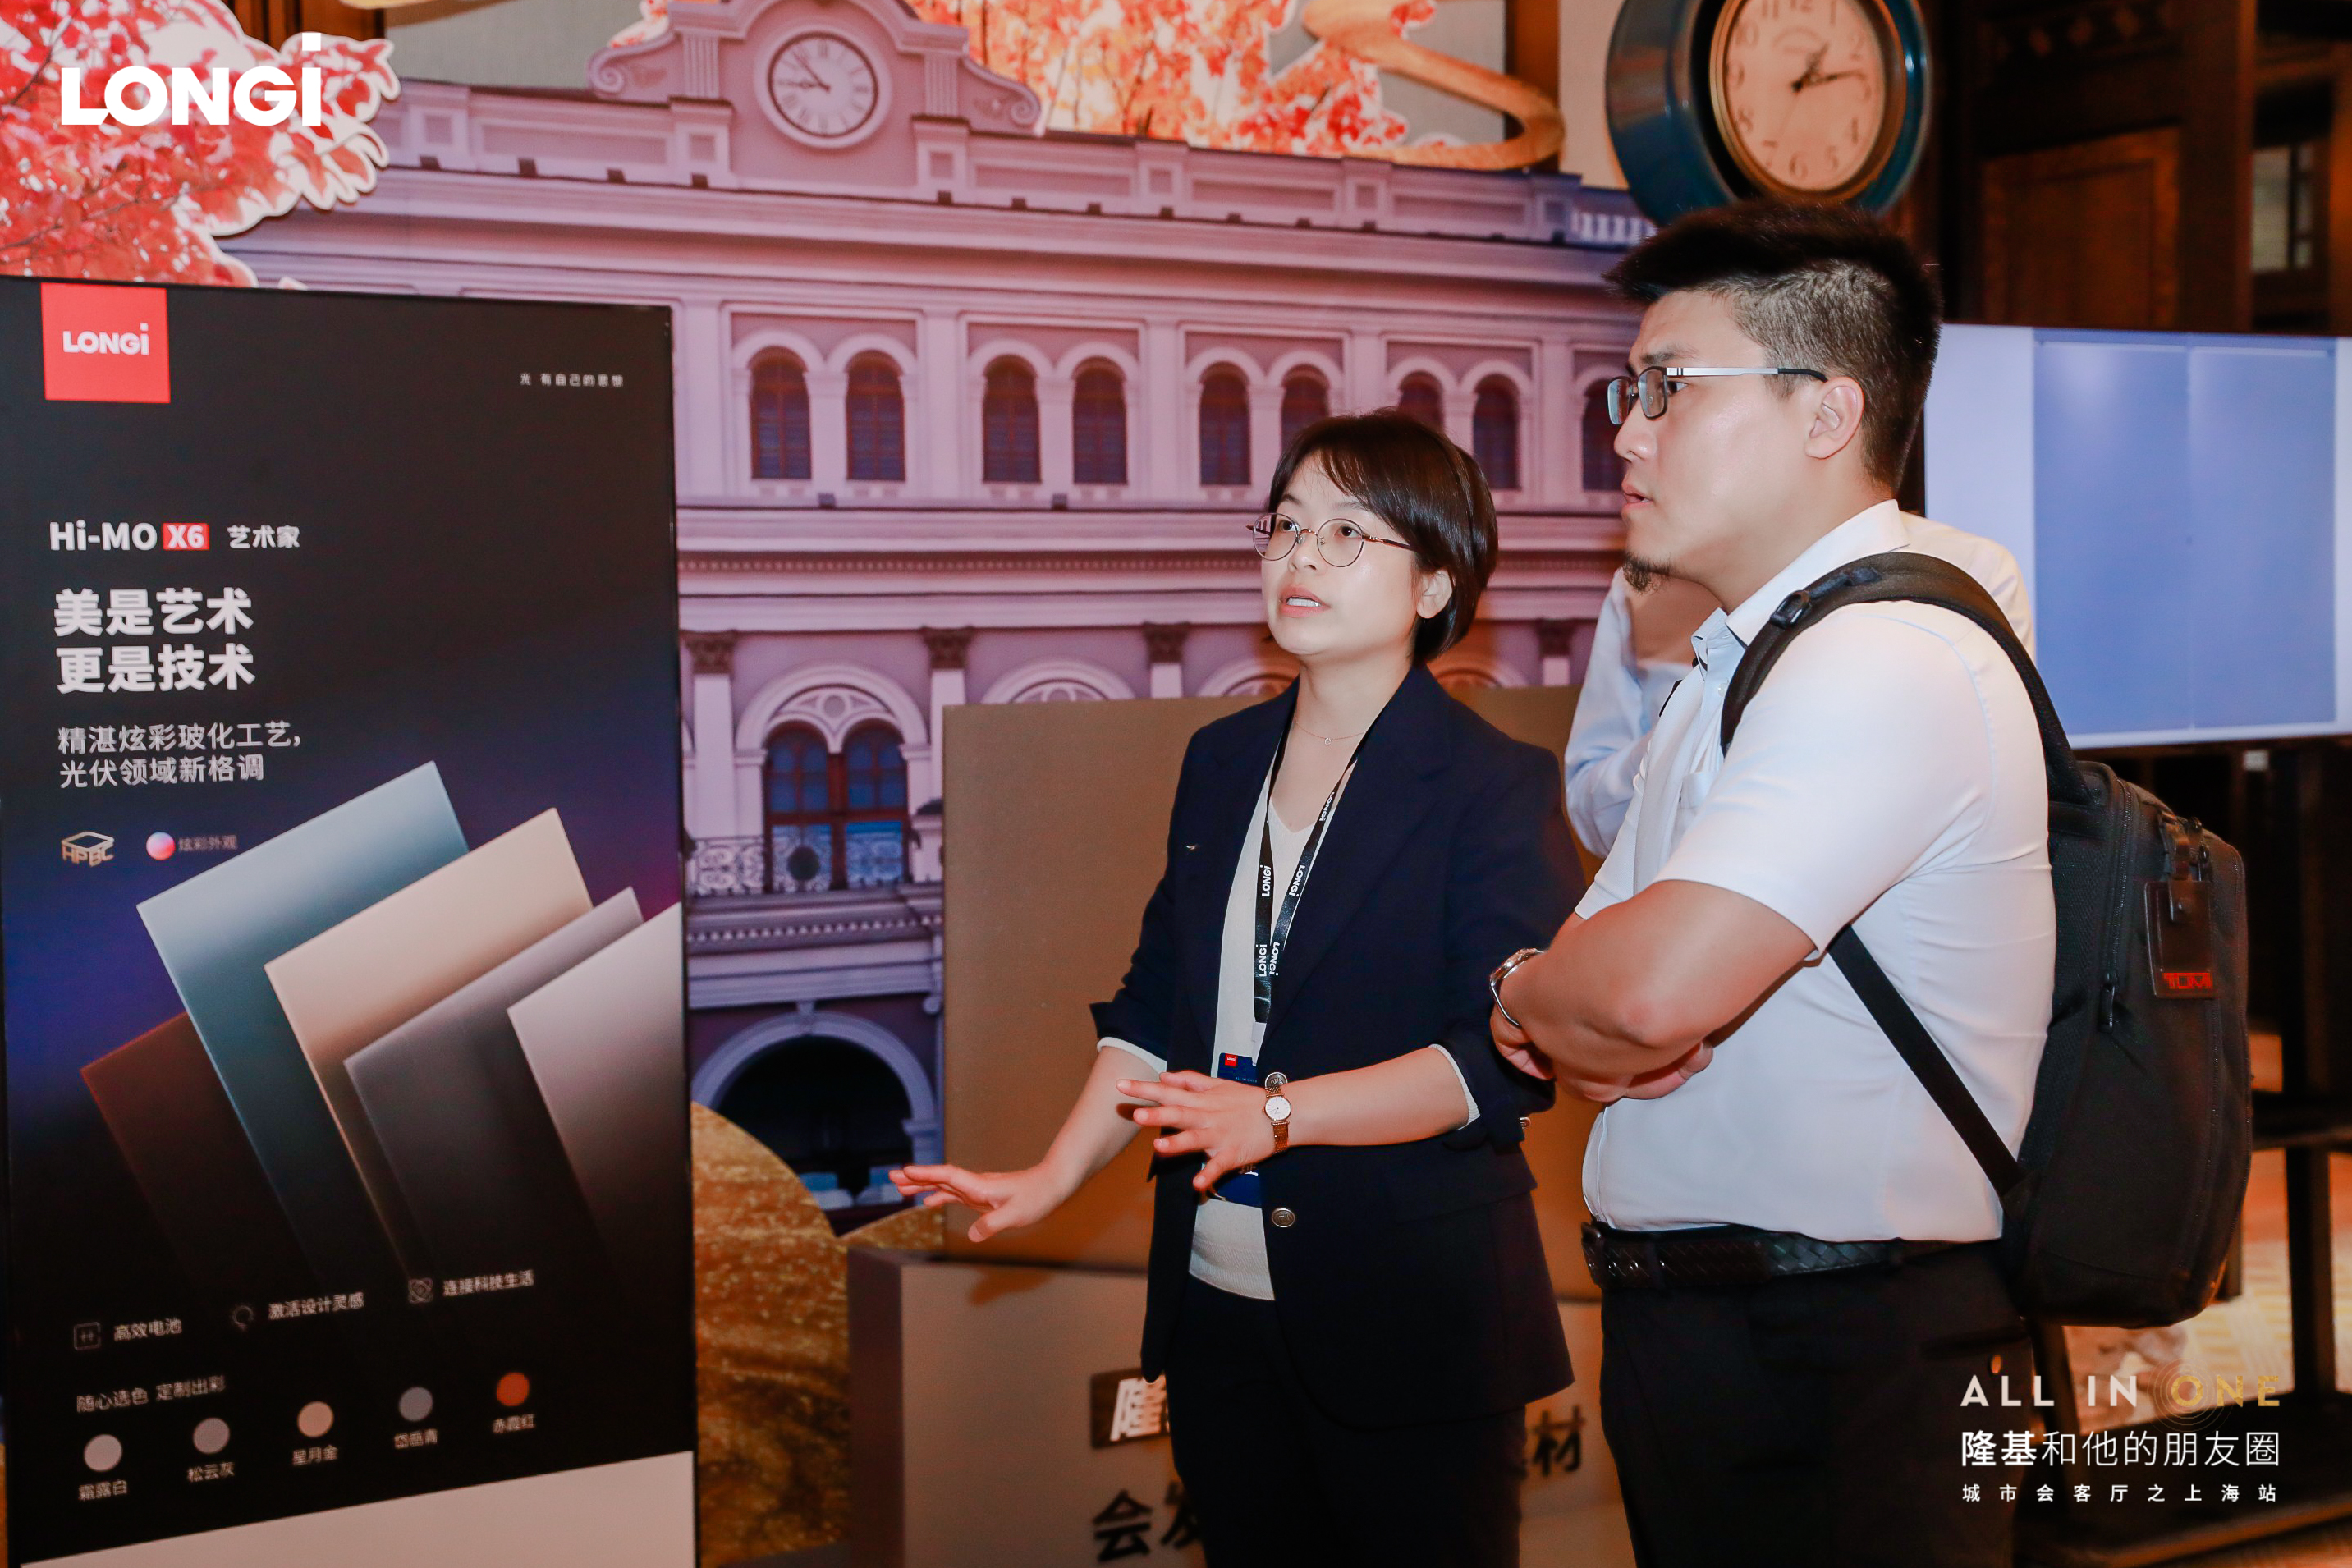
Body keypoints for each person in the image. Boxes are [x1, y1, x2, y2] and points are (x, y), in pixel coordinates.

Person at [894, 411, 1577, 1568]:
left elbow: (1500, 1058)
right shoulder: (1220, 760)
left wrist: (1280, 1113)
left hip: (1412, 1316)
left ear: (1434, 585)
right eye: (1286, 526)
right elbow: (1156, 1005)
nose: (1300, 555)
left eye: (1348, 533)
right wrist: (1052, 1174)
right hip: (1216, 1308)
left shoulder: (1494, 783)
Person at [1489, 202, 2055, 1566]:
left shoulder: (1891, 654)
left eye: (1668, 389)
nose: (1627, 435)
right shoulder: (1739, 663)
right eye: (1630, 393)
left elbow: (1635, 1001)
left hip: (1858, 1342)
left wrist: (1545, 991)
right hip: (1718, 1328)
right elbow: (1578, 989)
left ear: (1825, 411)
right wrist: (1540, 988)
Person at [1566, 529, 2033, 856]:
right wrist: (1691, 729)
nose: (1628, 439)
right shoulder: (1641, 584)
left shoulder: (1970, 570)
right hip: (1665, 918)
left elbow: (1990, 805)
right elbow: (1592, 815)